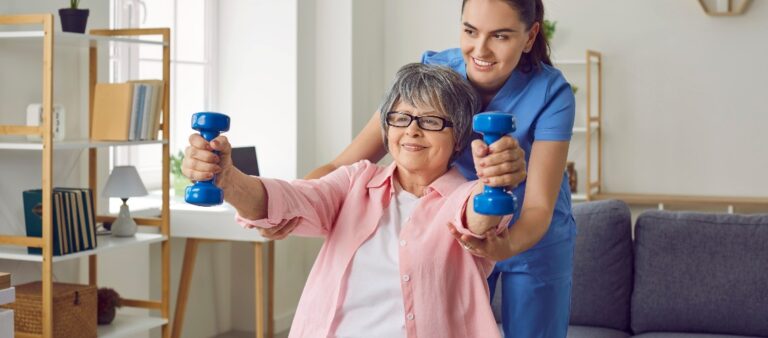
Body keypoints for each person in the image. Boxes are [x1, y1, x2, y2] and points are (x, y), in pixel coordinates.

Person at [262, 0, 577, 337]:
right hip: (456, 229)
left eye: (500, 36)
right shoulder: (435, 73)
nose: (480, 49)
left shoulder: (551, 93)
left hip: (531, 235)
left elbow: (538, 207)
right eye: (470, 31)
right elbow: (345, 162)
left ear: (529, 37)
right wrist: (289, 205)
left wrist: (506, 246)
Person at [182, 63, 521, 337]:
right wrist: (228, 179)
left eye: (431, 121)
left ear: (459, 137)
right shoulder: (356, 181)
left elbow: (479, 219)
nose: (412, 130)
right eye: (401, 118)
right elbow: (294, 198)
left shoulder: (462, 196)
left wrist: (495, 181)